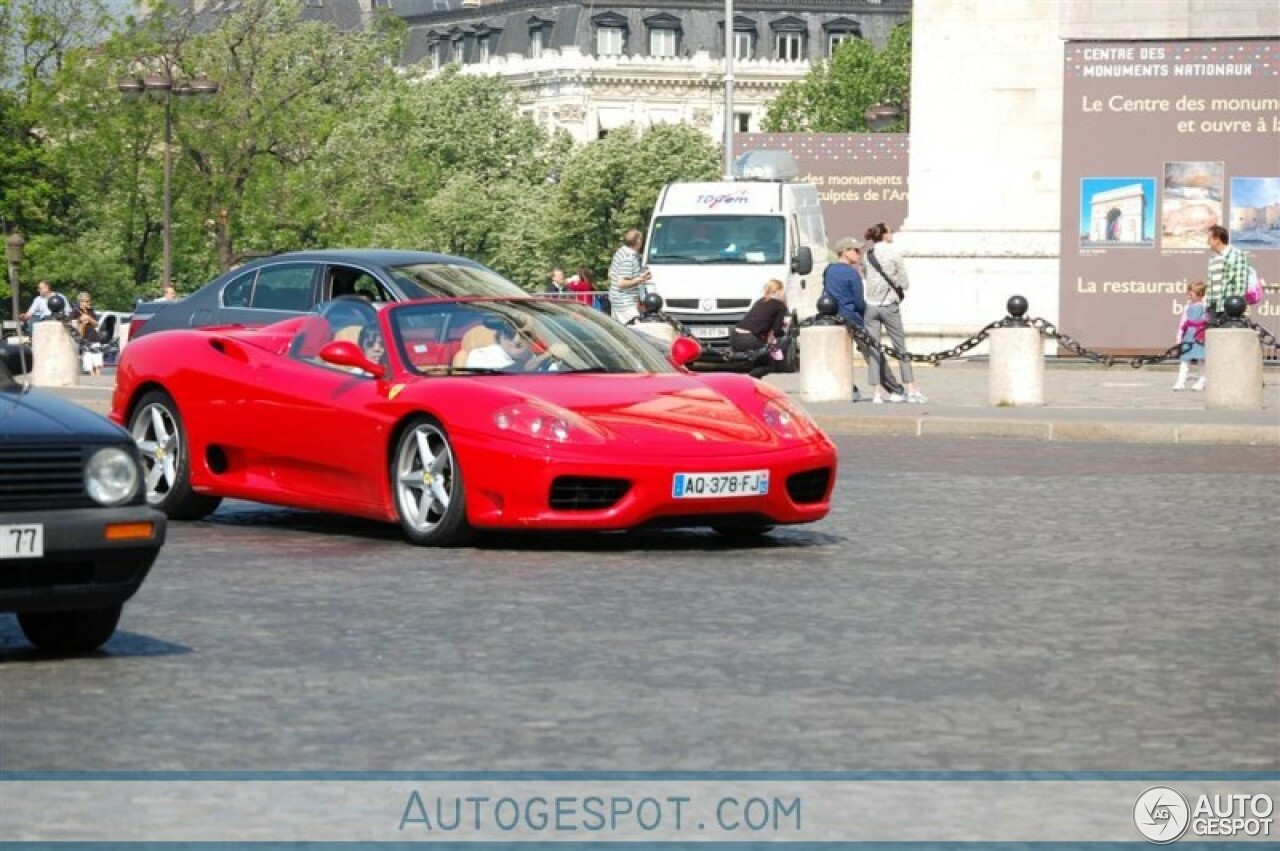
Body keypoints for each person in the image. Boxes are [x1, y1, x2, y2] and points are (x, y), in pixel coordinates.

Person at [862, 222, 926, 404]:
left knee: (874, 349)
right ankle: (912, 389)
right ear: (884, 235)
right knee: (900, 347)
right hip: (889, 306)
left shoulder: (868, 254)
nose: (892, 234)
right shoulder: (894, 253)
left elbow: (867, 276)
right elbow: (905, 283)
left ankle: (876, 393)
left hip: (871, 307)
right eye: (890, 231)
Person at [608, 229, 652, 325]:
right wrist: (641, 279)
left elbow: (610, 274)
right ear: (638, 241)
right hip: (625, 304)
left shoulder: (620, 252)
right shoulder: (629, 257)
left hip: (617, 301)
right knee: (636, 331)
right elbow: (621, 283)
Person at [1205, 224, 1249, 320]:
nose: (1207, 242)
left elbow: (1240, 283)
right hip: (1213, 308)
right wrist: (1207, 306)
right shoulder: (1213, 258)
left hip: (1229, 309)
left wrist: (1236, 307)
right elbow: (1210, 285)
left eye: (1209, 239)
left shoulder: (1236, 254)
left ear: (1217, 239)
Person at [1173, 281, 1208, 392]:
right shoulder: (1187, 306)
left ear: (1199, 294)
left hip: (1200, 334)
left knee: (1201, 359)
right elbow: (1183, 321)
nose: (1188, 296)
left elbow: (1207, 319)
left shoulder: (1204, 306)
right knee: (1184, 359)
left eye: (1191, 294)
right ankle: (1180, 381)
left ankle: (1202, 380)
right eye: (1188, 293)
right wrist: (1179, 335)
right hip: (1188, 334)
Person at [74, 292, 105, 377]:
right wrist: (81, 320)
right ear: (81, 302)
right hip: (84, 338)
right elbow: (73, 323)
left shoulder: (91, 311)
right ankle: (92, 376)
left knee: (97, 360)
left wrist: (89, 318)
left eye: (89, 301)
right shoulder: (75, 311)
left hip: (94, 337)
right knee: (88, 361)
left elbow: (96, 324)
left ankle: (98, 375)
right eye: (86, 301)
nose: (89, 303)